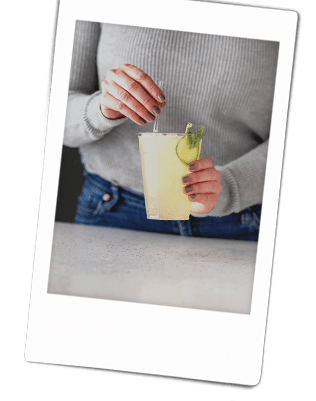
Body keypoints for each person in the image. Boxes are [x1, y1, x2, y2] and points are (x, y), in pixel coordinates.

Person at [63, 20, 279, 241]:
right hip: (113, 210)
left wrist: (230, 188)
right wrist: (101, 109)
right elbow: (58, 115)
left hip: (239, 219)